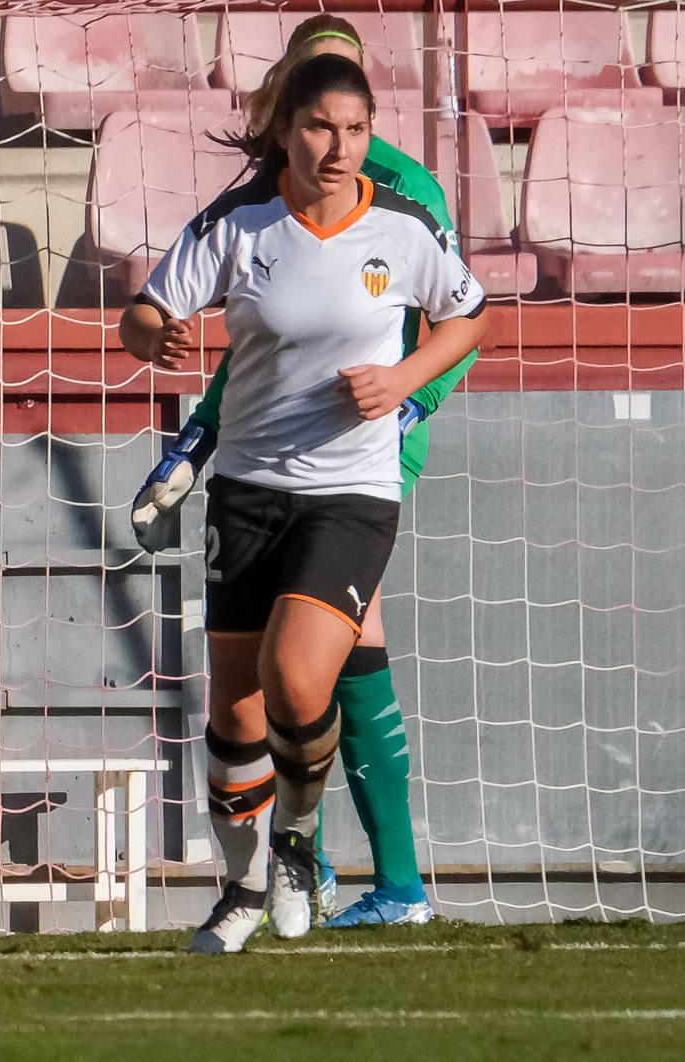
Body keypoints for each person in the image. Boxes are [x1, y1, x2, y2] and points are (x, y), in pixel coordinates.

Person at [118, 54, 488, 954]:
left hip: (353, 493)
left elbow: (471, 314)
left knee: (297, 678)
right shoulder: (240, 224)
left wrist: (403, 378)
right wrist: (152, 334)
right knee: (236, 714)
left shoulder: (402, 226)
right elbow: (142, 313)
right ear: (285, 128)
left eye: (356, 129)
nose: (339, 146)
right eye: (321, 126)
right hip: (247, 491)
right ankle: (241, 891)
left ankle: (295, 847)